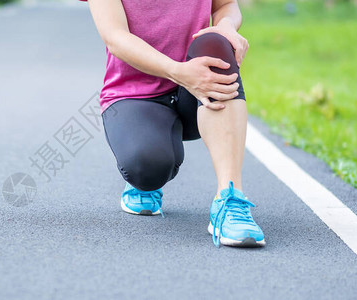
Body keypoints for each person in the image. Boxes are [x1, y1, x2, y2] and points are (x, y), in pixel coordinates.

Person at [83, 0, 265, 247]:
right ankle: (145, 180)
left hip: (197, 90)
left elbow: (226, 6)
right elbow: (115, 36)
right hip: (136, 93)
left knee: (216, 43)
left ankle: (230, 199)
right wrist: (179, 71)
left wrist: (226, 26)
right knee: (147, 167)